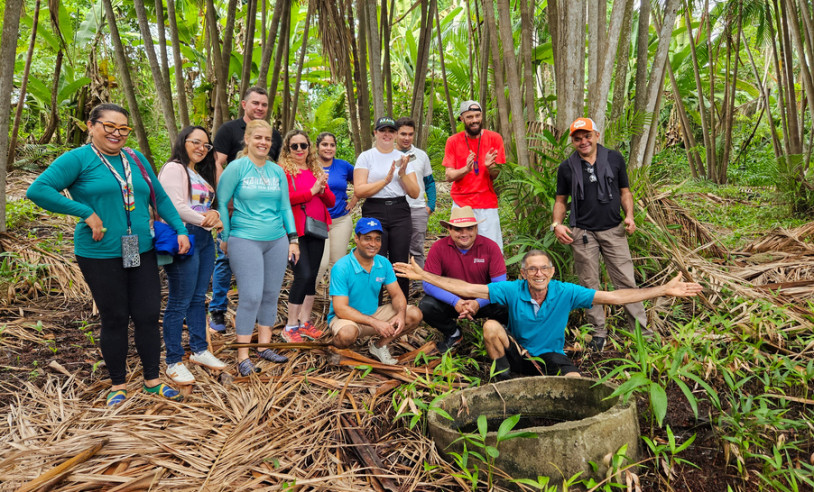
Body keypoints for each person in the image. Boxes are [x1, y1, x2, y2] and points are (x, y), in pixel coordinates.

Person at [26, 103, 188, 405]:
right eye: (109, 126)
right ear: (92, 125)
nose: (116, 133)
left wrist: (179, 228)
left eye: (123, 128)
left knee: (148, 315)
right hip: (99, 253)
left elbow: (160, 197)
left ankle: (152, 380)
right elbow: (38, 189)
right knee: (114, 318)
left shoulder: (136, 159)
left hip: (142, 249)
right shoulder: (78, 159)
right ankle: (118, 384)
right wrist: (85, 212)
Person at [394, 251, 703, 379]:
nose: (538, 273)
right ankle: (502, 380)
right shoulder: (513, 289)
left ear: (552, 272)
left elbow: (616, 297)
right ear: (523, 272)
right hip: (519, 354)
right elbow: (467, 288)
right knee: (490, 325)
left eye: (544, 268)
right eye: (532, 269)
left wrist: (662, 290)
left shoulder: (566, 292)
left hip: (551, 356)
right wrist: (425, 276)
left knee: (575, 381)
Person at [552, 117, 648, 352]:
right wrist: (557, 223)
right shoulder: (567, 167)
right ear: (573, 141)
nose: (583, 141)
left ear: (596, 135)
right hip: (582, 232)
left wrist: (630, 216)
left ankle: (642, 333)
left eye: (586, 136)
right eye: (577, 138)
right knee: (588, 284)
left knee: (625, 280)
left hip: (614, 229)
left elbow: (625, 192)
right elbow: (560, 200)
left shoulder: (614, 158)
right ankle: (598, 332)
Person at [216, 120, 297, 376]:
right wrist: (226, 236)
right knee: (251, 296)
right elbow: (222, 202)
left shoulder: (277, 171)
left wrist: (293, 238)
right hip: (245, 237)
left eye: (268, 139)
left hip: (276, 239)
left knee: (271, 294)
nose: (263, 143)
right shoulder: (237, 168)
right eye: (258, 138)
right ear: (247, 140)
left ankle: (264, 346)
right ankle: (242, 355)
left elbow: (285, 207)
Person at [208, 87, 283, 333]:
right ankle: (217, 310)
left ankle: (260, 323)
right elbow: (219, 163)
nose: (260, 107)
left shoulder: (274, 135)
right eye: (255, 103)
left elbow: (273, 171)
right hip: (235, 207)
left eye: (264, 104)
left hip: (263, 215)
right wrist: (225, 200)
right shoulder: (228, 130)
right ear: (244, 104)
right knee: (225, 256)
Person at [157, 126, 228, 385]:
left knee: (198, 298)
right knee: (179, 300)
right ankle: (173, 360)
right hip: (184, 235)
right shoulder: (174, 168)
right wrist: (208, 221)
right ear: (182, 142)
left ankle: (199, 350)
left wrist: (216, 215)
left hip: (203, 237)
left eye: (206, 145)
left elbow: (208, 207)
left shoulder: (197, 172)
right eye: (195, 142)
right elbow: (174, 207)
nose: (201, 148)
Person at [328, 218, 423, 365]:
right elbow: (340, 309)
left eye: (377, 239)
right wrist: (375, 323)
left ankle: (379, 346)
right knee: (347, 334)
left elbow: (397, 294)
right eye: (367, 239)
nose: (373, 244)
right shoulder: (342, 267)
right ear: (356, 239)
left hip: (372, 313)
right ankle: (335, 349)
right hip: (345, 318)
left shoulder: (382, 263)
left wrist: (400, 313)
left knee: (413, 314)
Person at [419, 206, 508, 353]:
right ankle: (453, 333)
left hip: (483, 300)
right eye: (458, 229)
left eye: (469, 228)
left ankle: (502, 334)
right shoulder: (438, 248)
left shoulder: (490, 247)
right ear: (449, 229)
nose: (464, 233)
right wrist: (456, 301)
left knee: (507, 302)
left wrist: (477, 303)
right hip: (451, 302)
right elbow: (428, 283)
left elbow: (500, 285)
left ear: (476, 228)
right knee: (427, 306)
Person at [353, 116, 420, 300]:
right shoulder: (366, 156)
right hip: (375, 210)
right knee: (374, 260)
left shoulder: (403, 158)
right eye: (383, 130)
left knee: (399, 262)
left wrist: (402, 174)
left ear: (396, 135)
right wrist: (385, 181)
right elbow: (360, 189)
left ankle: (400, 306)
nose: (387, 134)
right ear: (375, 133)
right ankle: (373, 307)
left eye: (391, 131)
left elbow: (414, 192)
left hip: (400, 210)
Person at [280, 130, 335, 342]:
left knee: (312, 276)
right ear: (288, 149)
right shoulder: (284, 171)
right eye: (295, 146)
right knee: (301, 275)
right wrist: (311, 191)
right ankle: (290, 325)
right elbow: (284, 200)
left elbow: (330, 201)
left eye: (303, 145)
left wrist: (321, 188)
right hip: (296, 230)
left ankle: (305, 321)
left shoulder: (315, 169)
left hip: (318, 228)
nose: (300, 150)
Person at [442, 100, 505, 250]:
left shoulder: (495, 138)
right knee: (461, 247)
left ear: (482, 116)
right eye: (469, 117)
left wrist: (490, 167)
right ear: (462, 119)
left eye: (477, 116)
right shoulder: (453, 141)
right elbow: (449, 175)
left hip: (487, 203)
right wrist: (465, 169)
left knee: (491, 248)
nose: (475, 120)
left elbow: (497, 175)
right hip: (461, 203)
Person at [315, 132, 356, 290]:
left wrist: (354, 199)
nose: (328, 148)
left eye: (332, 145)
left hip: (340, 220)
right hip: (317, 222)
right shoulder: (310, 165)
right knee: (320, 263)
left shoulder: (343, 165)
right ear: (317, 147)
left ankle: (336, 304)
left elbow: (360, 181)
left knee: (337, 265)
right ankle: (304, 304)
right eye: (324, 144)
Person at [395, 117, 435, 269]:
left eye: (410, 134)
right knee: (396, 247)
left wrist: (430, 205)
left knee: (417, 248)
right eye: (403, 134)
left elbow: (429, 182)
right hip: (396, 208)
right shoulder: (388, 154)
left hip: (418, 208)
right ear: (396, 134)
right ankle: (396, 280)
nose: (407, 138)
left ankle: (418, 282)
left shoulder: (421, 155)